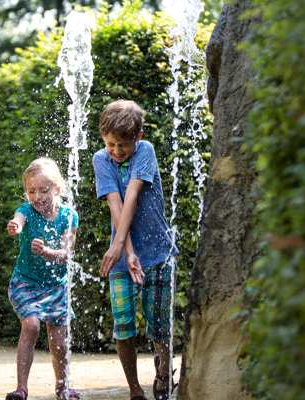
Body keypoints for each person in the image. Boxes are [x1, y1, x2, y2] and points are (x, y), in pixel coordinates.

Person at [91, 100, 179, 400]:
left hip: (157, 252)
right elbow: (116, 205)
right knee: (123, 326)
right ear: (103, 136)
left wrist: (118, 245)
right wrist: (125, 252)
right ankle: (134, 388)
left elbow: (131, 195)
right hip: (122, 257)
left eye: (123, 145)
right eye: (111, 143)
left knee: (159, 323)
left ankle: (165, 372)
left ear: (138, 136)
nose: (116, 151)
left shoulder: (146, 151)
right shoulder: (101, 159)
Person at [5, 157, 81, 400]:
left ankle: (63, 386)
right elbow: (19, 219)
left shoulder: (69, 216)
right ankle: (21, 388)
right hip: (26, 282)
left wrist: (47, 252)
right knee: (31, 325)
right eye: (31, 191)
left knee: (58, 341)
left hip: (55, 287)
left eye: (43, 190)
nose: (37, 196)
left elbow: (67, 254)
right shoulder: (26, 210)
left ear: (57, 190)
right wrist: (15, 226)